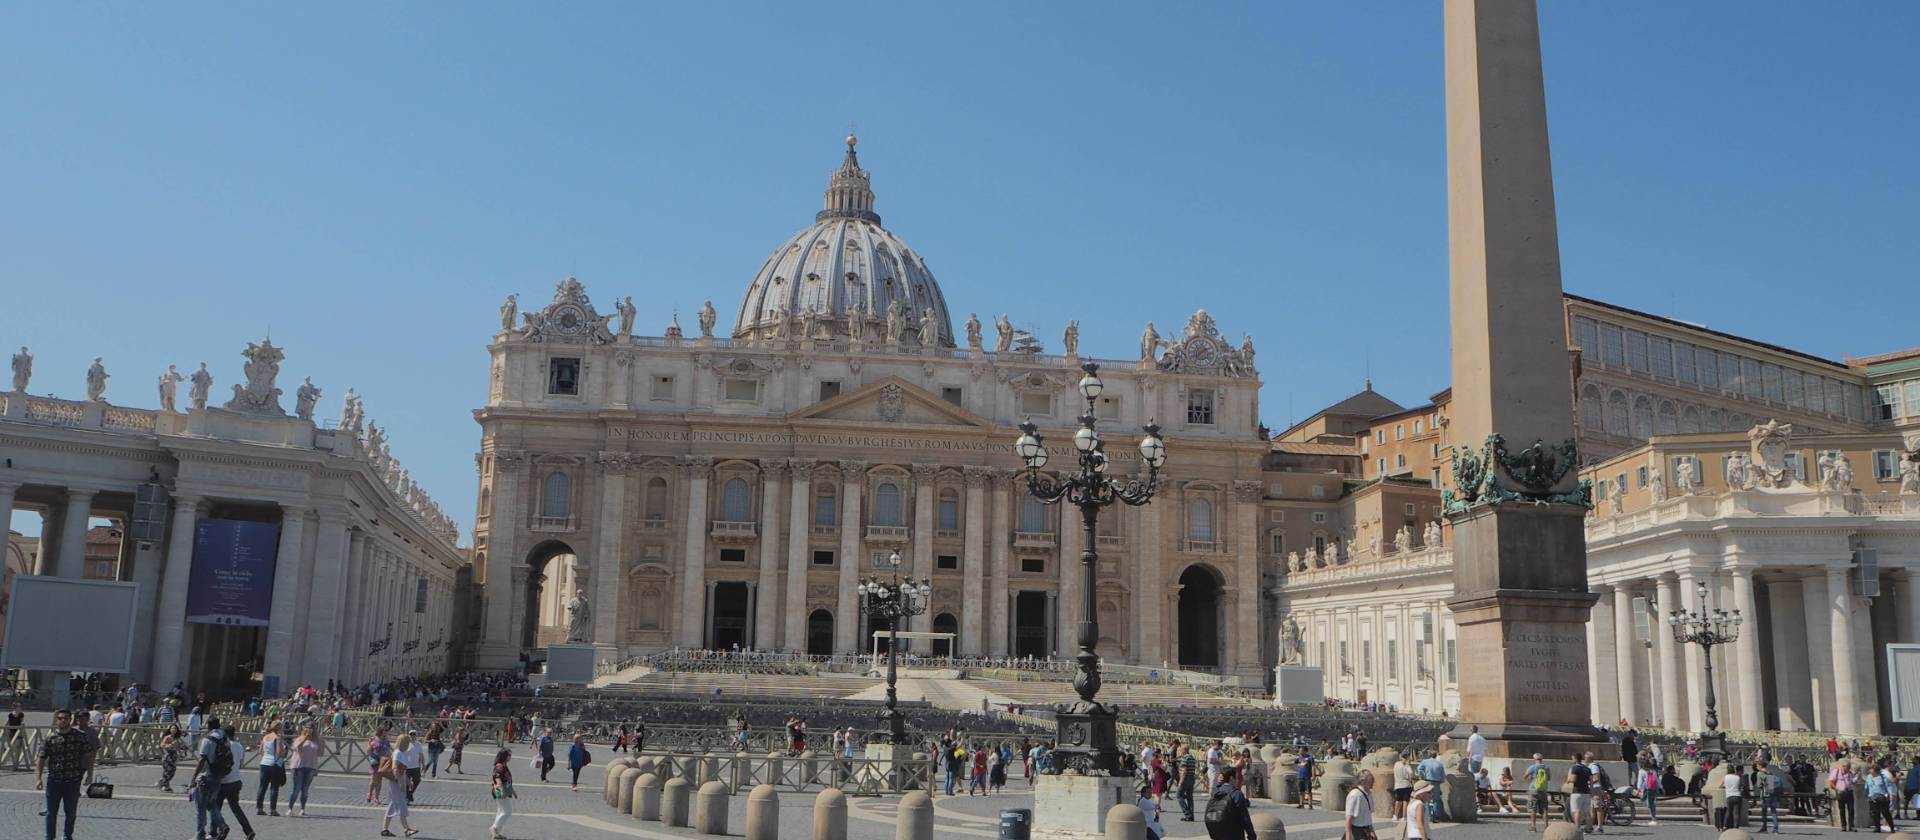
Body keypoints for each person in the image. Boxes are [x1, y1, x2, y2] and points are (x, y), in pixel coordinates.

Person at [35, 708, 93, 840]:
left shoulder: (80, 736)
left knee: (70, 812)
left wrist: (89, 774)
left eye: (66, 718)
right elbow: (41, 759)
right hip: (54, 780)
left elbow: (89, 755)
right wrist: (38, 778)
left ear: (70, 719)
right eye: (60, 718)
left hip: (72, 780)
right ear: (56, 720)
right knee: (51, 813)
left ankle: (67, 836)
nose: (63, 720)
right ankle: (49, 837)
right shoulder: (50, 738)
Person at [191, 716, 233, 840]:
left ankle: (200, 834)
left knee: (200, 806)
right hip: (218, 775)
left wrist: (193, 778)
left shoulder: (207, 739)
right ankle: (222, 825)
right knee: (211, 803)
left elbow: (202, 760)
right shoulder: (224, 737)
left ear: (209, 726)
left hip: (206, 776)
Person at [213, 724, 255, 840]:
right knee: (236, 808)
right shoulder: (239, 746)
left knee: (215, 807)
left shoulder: (223, 746)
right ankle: (249, 831)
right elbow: (241, 763)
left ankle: (216, 831)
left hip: (224, 781)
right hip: (236, 780)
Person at [380, 733, 419, 837]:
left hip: (399, 781)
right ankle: (406, 829)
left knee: (395, 804)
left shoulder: (400, 752)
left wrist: (407, 781)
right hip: (396, 783)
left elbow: (403, 771)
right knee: (400, 804)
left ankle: (385, 829)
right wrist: (401, 782)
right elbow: (395, 768)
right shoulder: (398, 753)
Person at [286, 723, 325, 816]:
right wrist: (305, 737)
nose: (310, 730)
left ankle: (302, 809)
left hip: (311, 767)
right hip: (298, 766)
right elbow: (297, 748)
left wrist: (320, 740)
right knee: (296, 789)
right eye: (308, 728)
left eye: (312, 728)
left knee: (305, 789)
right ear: (304, 729)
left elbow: (320, 753)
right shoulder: (298, 739)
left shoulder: (316, 741)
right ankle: (290, 808)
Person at [255, 719, 287, 816]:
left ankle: (259, 808)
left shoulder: (265, 737)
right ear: (279, 728)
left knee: (262, 786)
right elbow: (279, 752)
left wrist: (267, 756)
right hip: (274, 764)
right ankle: (273, 809)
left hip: (264, 763)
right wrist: (283, 751)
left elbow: (260, 751)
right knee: (274, 787)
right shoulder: (277, 738)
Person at [1341, 768, 1376, 840]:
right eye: (1370, 779)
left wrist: (1372, 830)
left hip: (1367, 830)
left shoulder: (1369, 794)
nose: (1373, 781)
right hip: (1357, 831)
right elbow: (1348, 818)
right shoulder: (1355, 795)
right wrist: (1348, 837)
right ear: (1363, 781)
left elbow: (1367, 815)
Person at [491, 747, 518, 839]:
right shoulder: (500, 766)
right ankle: (495, 828)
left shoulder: (504, 766)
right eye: (509, 755)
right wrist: (502, 790)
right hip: (501, 790)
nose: (511, 757)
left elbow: (507, 780)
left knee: (501, 811)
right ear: (505, 756)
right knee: (507, 811)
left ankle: (496, 833)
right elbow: (497, 778)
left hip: (506, 789)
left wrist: (513, 791)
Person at [1568, 751, 1596, 833]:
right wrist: (1591, 791)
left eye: (1572, 759)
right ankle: (1589, 827)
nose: (1572, 760)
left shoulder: (1575, 768)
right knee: (1587, 811)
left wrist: (1568, 779)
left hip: (1577, 791)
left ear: (1576, 759)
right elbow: (1591, 781)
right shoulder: (1587, 768)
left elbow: (1573, 779)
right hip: (1586, 792)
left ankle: (1577, 828)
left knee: (1576, 811)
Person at [1831, 758, 1859, 832]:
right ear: (1842, 766)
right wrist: (1837, 789)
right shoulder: (1836, 771)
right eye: (1845, 767)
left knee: (1851, 810)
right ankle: (1843, 826)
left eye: (1848, 767)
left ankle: (1851, 826)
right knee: (1842, 810)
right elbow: (1831, 782)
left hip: (1849, 792)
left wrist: (1856, 779)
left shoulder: (1850, 773)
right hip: (1841, 792)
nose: (1846, 768)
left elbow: (1853, 782)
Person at [367, 725, 393, 804]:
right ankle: (370, 793)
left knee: (380, 780)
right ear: (380, 732)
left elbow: (389, 751)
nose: (385, 733)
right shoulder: (373, 739)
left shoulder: (386, 741)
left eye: (386, 732)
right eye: (384, 732)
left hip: (383, 762)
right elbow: (368, 750)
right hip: (375, 761)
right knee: (373, 780)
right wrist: (372, 755)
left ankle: (376, 797)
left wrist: (391, 757)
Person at [158, 722, 185, 792]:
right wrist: (170, 745)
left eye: (175, 728)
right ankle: (165, 786)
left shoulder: (177, 738)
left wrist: (181, 749)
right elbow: (162, 745)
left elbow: (180, 747)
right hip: (167, 756)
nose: (174, 730)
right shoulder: (167, 737)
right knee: (167, 771)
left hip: (174, 757)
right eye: (172, 728)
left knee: (172, 772)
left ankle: (162, 782)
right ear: (170, 729)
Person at [1177, 744, 1199, 821]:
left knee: (1179, 795)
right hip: (1192, 778)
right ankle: (1191, 815)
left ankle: (1187, 814)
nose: (1180, 751)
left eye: (1181, 749)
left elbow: (1184, 771)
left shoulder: (1184, 758)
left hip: (1186, 778)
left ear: (1184, 750)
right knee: (1190, 797)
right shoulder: (1192, 758)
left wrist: (1180, 782)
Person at [1637, 760, 1660, 827]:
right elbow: (1657, 780)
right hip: (1653, 789)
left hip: (1646, 789)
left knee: (1649, 804)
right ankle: (1654, 817)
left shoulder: (1641, 771)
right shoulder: (1653, 771)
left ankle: (1653, 818)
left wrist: (1638, 789)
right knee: (1651, 803)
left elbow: (1640, 781)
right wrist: (1661, 787)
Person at [1391, 753, 1414, 819]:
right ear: (1407, 758)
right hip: (1406, 784)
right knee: (1405, 801)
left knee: (1398, 801)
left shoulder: (1396, 764)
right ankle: (1404, 816)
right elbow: (1411, 774)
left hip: (1398, 784)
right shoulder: (1407, 766)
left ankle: (1395, 815)